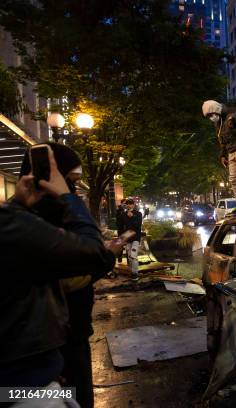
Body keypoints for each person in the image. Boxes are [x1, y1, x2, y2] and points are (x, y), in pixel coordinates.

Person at [0, 146, 119, 391]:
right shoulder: (24, 225)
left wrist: (18, 206)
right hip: (29, 371)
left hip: (46, 355)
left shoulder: (18, 217)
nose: (72, 188)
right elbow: (91, 255)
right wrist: (70, 200)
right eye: (69, 182)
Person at [203, 100, 236, 212]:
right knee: (233, 179)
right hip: (230, 152)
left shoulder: (235, 113)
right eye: (209, 117)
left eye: (211, 115)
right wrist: (222, 155)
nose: (211, 118)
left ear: (216, 110)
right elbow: (221, 140)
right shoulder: (218, 123)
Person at [120, 198, 143, 280]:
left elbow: (138, 226)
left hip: (136, 238)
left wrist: (132, 217)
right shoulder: (123, 214)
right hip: (128, 238)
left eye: (130, 204)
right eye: (128, 204)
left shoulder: (138, 214)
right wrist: (122, 239)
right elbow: (122, 227)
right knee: (129, 257)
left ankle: (135, 273)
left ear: (133, 204)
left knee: (133, 256)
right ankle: (132, 272)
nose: (129, 205)